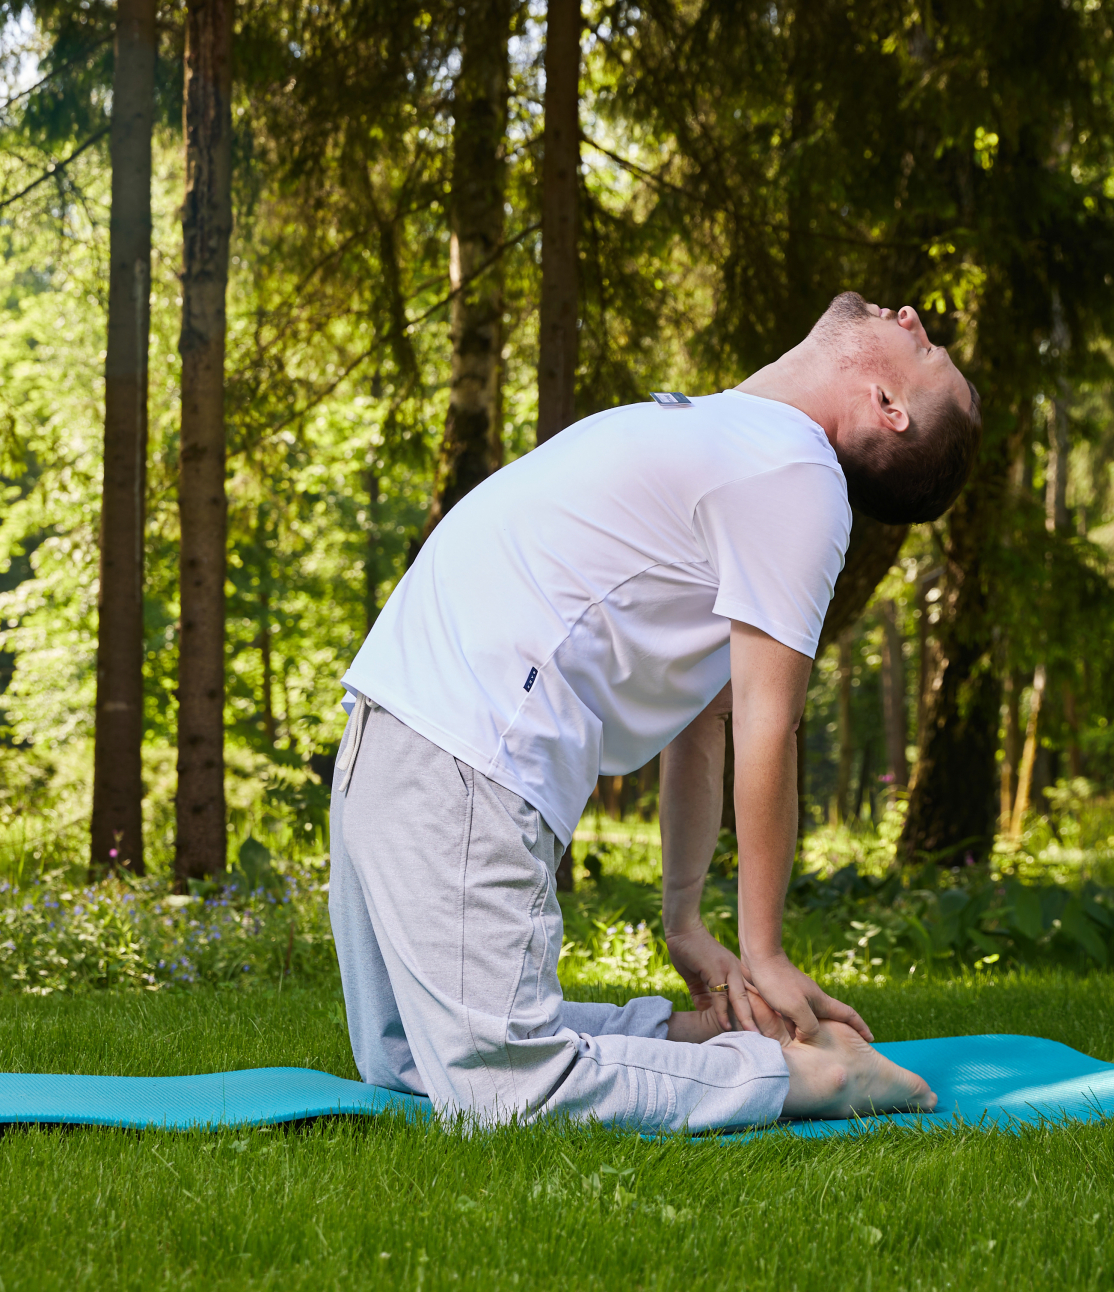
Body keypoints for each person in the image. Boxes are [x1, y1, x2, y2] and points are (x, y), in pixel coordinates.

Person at [328, 292, 982, 1131]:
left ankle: (800, 1077)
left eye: (928, 355)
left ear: (886, 408)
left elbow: (760, 723)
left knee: (503, 1093)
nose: (915, 319)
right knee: (401, 1057)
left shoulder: (797, 475)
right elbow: (703, 721)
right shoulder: (730, 436)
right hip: (396, 725)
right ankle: (701, 1038)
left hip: (468, 747)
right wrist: (682, 920)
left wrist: (765, 950)